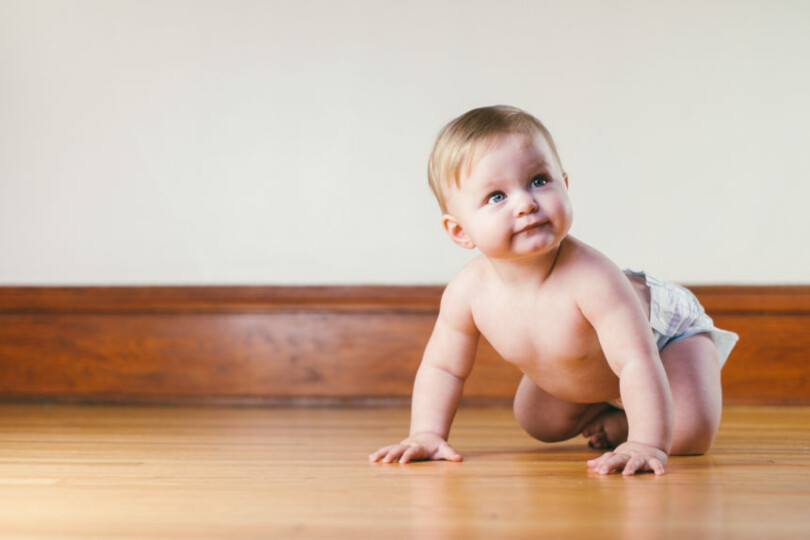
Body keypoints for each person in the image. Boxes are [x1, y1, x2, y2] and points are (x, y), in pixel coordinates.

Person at [368, 105, 738, 475]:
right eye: (497, 197)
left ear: (565, 184)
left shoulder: (594, 279)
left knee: (687, 434)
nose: (526, 203)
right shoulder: (467, 292)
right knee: (537, 419)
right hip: (594, 370)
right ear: (460, 231)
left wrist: (647, 443)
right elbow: (443, 367)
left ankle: (634, 428)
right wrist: (427, 433)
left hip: (665, 338)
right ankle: (619, 413)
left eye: (539, 180)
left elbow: (636, 361)